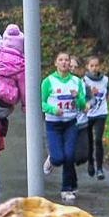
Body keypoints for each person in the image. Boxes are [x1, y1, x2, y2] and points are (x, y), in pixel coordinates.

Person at [41, 50, 84, 203]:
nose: (64, 62)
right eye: (61, 60)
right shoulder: (48, 81)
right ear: (56, 63)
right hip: (53, 124)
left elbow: (83, 105)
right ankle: (52, 159)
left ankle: (66, 189)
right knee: (59, 158)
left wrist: (77, 97)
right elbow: (41, 103)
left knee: (69, 156)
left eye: (67, 60)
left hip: (70, 123)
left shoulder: (77, 82)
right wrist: (53, 109)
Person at [79, 56, 109, 181]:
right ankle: (90, 162)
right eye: (91, 66)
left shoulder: (105, 80)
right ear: (87, 67)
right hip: (88, 114)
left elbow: (108, 93)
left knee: (98, 140)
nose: (94, 68)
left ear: (100, 66)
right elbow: (81, 96)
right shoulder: (84, 80)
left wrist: (105, 100)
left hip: (101, 114)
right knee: (89, 141)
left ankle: (100, 168)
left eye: (96, 65)